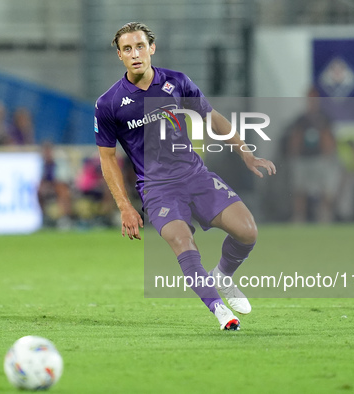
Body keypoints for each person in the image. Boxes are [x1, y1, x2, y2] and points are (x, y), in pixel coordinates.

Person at [94, 22, 276, 330]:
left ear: (152, 48)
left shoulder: (176, 82)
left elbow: (212, 116)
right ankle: (220, 310)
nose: (135, 54)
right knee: (182, 241)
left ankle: (223, 275)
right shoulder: (109, 103)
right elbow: (107, 158)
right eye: (127, 49)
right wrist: (125, 206)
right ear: (120, 56)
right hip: (157, 189)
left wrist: (245, 151)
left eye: (140, 46)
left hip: (196, 176)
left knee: (248, 232)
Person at [286, 87, 339, 223]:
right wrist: (294, 155)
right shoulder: (301, 119)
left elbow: (329, 138)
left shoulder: (324, 118)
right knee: (300, 190)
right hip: (303, 159)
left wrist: (329, 156)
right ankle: (299, 218)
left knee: (325, 190)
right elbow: (296, 138)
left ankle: (325, 217)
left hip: (319, 159)